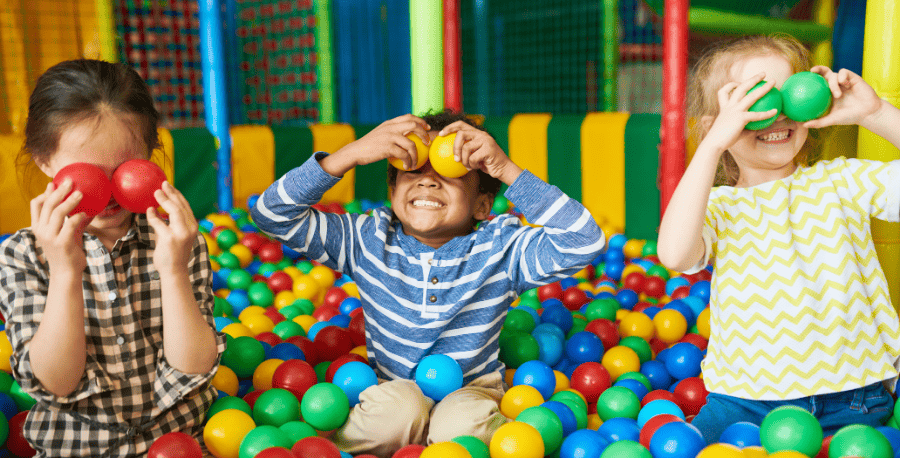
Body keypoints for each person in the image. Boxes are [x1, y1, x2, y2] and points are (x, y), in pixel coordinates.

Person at [250, 109, 604, 457]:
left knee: (459, 428)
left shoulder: (501, 248)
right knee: (396, 415)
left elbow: (585, 241)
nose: (428, 180)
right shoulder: (366, 239)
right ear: (392, 193)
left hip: (471, 389)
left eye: (449, 171)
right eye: (413, 169)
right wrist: (350, 154)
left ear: (483, 205)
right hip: (393, 387)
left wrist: (505, 169)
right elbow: (270, 214)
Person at [657, 34, 900, 444]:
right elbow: (675, 254)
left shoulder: (841, 181)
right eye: (752, 103)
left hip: (852, 394)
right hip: (744, 402)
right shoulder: (717, 207)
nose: (774, 114)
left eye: (785, 96)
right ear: (713, 124)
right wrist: (712, 143)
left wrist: (875, 114)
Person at [0, 59, 225, 457]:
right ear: (44, 161)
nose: (109, 191)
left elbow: (193, 366)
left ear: (152, 153)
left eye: (127, 168)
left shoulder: (177, 239)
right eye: (88, 172)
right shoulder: (22, 253)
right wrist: (65, 272)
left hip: (176, 446)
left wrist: (173, 271)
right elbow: (56, 382)